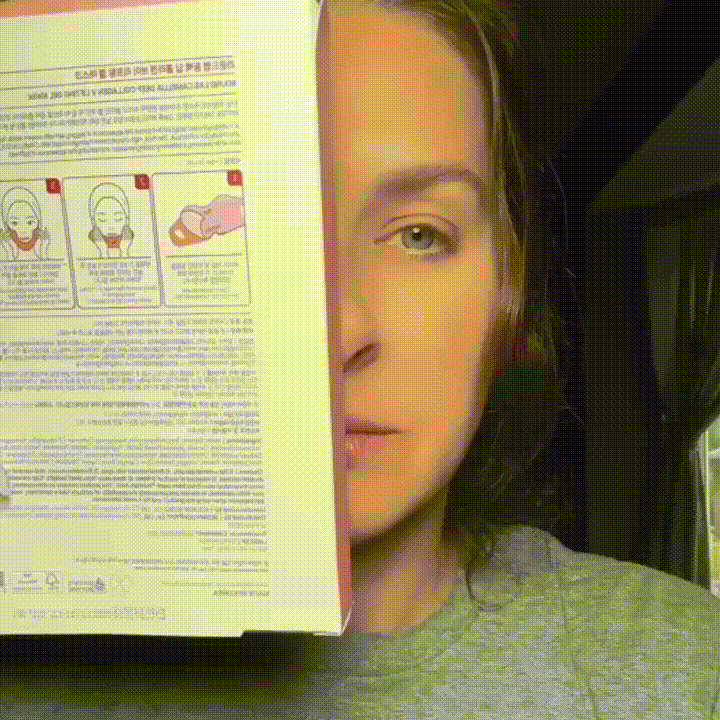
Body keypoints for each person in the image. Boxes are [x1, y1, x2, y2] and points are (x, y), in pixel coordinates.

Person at [1, 1, 718, 718]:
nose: (339, 333)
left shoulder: (676, 672)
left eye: (418, 236)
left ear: (508, 282)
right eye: (265, 227)